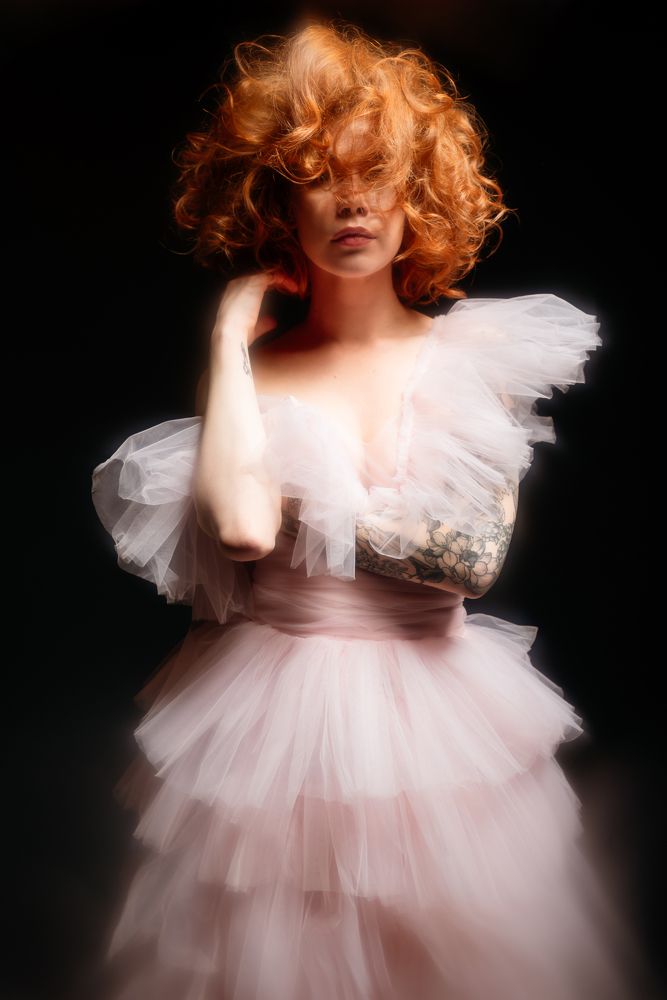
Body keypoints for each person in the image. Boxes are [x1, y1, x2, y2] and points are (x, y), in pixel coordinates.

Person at [90, 18, 654, 1000]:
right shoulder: (252, 371)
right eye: (318, 174)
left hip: (436, 724)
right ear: (277, 203)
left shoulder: (472, 357)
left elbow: (468, 561)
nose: (351, 197)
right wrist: (227, 339)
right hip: (270, 729)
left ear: (416, 192)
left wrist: (306, 493)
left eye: (377, 170)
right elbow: (242, 531)